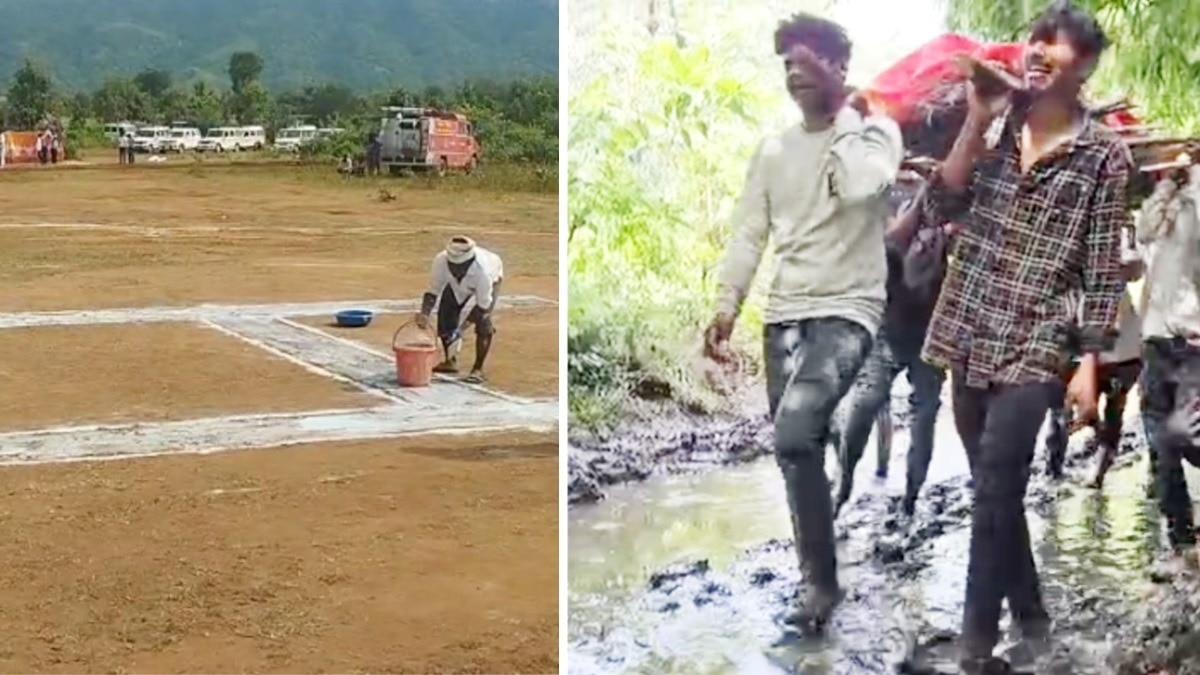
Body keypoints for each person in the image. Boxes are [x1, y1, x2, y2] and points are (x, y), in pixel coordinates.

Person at [918, 2, 1129, 670]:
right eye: (1034, 42)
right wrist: (977, 117)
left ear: (1086, 66)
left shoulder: (1105, 158)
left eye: (1056, 46)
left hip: (1041, 333)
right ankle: (1032, 614)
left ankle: (974, 645)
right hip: (969, 318)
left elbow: (1101, 268)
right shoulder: (994, 126)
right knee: (992, 483)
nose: (1038, 53)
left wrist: (1089, 361)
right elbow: (943, 202)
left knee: (997, 481)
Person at [703, 12, 903, 633]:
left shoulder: (876, 136)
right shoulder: (773, 152)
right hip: (785, 313)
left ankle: (820, 587)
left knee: (793, 431)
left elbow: (861, 190)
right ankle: (817, 574)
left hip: (850, 310)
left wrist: (846, 122)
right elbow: (748, 233)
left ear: (839, 67)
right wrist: (726, 303)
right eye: (785, 64)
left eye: (806, 60)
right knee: (796, 451)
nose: (793, 73)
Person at [834, 179, 953, 518]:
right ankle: (843, 483)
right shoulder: (881, 210)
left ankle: (911, 499)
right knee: (866, 402)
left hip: (931, 332)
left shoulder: (942, 218)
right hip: (887, 328)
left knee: (925, 411)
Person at [1044, 225, 1143, 487]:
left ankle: (1097, 467)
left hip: (1119, 343)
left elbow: (1134, 268)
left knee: (1112, 407)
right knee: (1063, 408)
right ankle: (1054, 471)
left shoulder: (1115, 228)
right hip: (1077, 336)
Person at [1136, 164, 1200, 561]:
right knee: (1163, 440)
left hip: (1184, 339)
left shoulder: (1178, 205)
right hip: (1162, 337)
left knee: (1179, 436)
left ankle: (1181, 541)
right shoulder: (1164, 206)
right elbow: (1145, 236)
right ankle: (1181, 541)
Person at [416, 236, 504, 384]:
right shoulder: (441, 260)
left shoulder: (484, 272)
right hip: (456, 285)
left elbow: (482, 306)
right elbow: (432, 291)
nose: (455, 269)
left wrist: (461, 330)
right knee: (445, 314)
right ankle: (450, 361)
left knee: (484, 321)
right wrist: (424, 313)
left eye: (460, 267)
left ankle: (478, 369)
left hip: (492, 279)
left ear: (469, 262)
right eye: (452, 266)